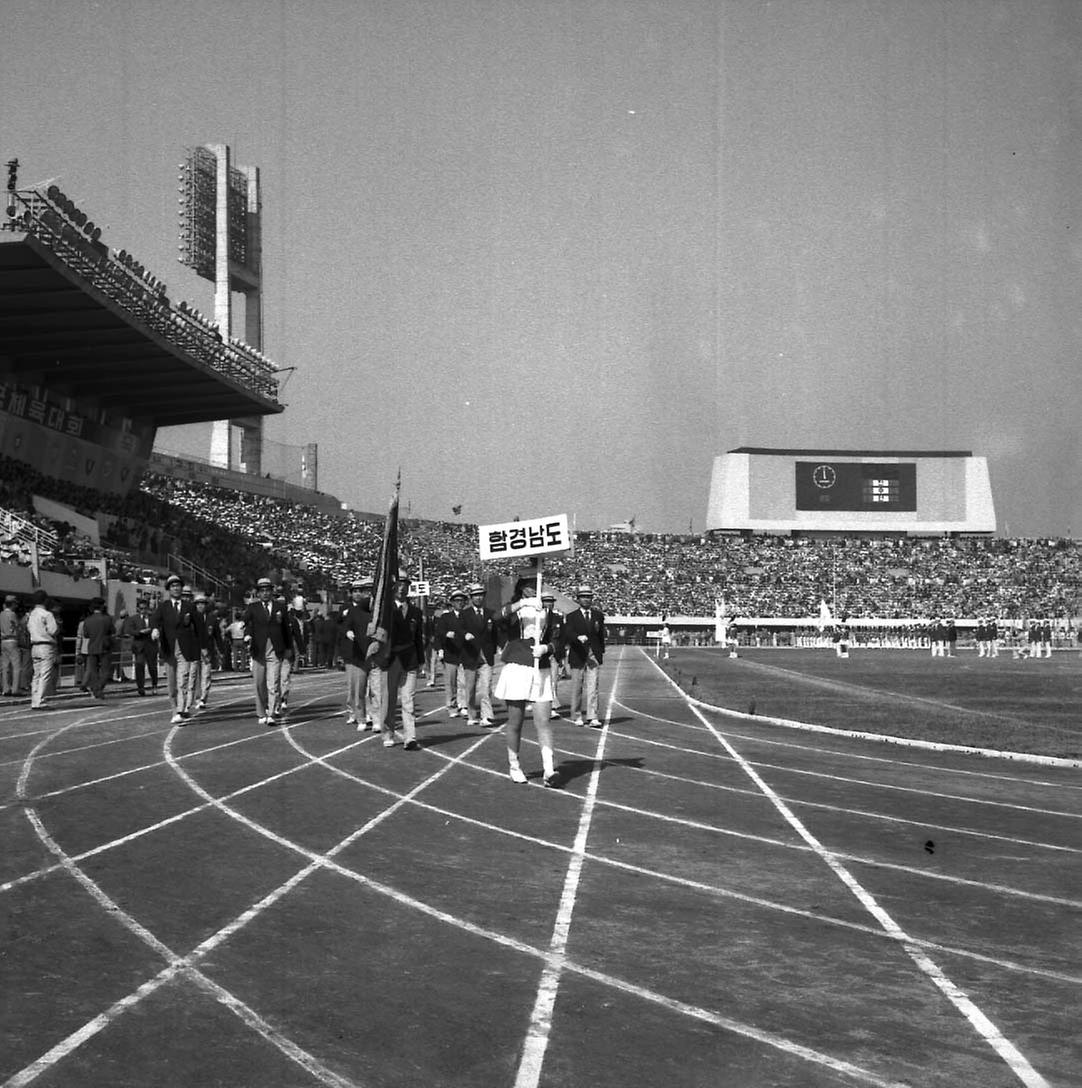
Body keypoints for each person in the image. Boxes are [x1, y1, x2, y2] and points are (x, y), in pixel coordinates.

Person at [495, 576, 562, 787]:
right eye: (530, 586)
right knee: (515, 722)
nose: (534, 589)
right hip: (517, 668)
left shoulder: (549, 613)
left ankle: (549, 769)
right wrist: (521, 604)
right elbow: (497, 617)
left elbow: (558, 641)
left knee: (544, 721)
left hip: (540, 670)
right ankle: (514, 766)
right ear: (522, 588)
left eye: (538, 585)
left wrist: (546, 648)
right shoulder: (514, 610)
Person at [374, 573, 425, 749]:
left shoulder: (416, 612)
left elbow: (418, 637)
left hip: (410, 659)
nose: (402, 588)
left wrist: (421, 660)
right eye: (399, 585)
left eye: (405, 585)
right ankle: (388, 732)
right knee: (389, 700)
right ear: (393, 588)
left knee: (408, 700)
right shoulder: (384, 611)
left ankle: (410, 737)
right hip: (391, 660)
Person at [242, 576, 292, 726]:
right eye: (262, 591)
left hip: (275, 649)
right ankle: (261, 712)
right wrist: (246, 634)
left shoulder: (280, 607)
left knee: (273, 683)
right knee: (259, 683)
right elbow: (247, 622)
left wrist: (289, 647)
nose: (265, 593)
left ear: (271, 592)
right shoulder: (253, 607)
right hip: (258, 649)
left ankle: (271, 712)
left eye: (267, 590)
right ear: (258, 593)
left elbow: (286, 630)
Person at [150, 574, 196, 725]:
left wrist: (201, 647)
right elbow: (154, 620)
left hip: (185, 648)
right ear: (169, 589)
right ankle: (174, 709)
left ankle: (181, 711)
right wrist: (155, 630)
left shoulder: (189, 606)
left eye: (178, 585)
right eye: (173, 586)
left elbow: (198, 628)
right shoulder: (163, 607)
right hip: (169, 648)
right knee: (172, 683)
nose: (176, 588)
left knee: (182, 679)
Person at [563, 584, 606, 728]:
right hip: (578, 654)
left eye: (588, 597)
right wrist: (577, 637)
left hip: (593, 654)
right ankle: (576, 715)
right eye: (583, 597)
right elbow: (568, 633)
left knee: (593, 687)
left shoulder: (598, 615)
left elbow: (600, 635)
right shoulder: (572, 616)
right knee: (577, 686)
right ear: (578, 599)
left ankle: (593, 716)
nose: (586, 600)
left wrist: (601, 653)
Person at [341, 579, 377, 729]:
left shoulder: (378, 611)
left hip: (375, 655)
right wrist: (348, 632)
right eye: (364, 591)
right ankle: (359, 716)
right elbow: (344, 626)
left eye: (369, 590)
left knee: (376, 690)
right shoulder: (352, 610)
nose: (366, 594)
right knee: (358, 688)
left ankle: (375, 717)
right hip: (358, 655)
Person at [458, 582, 495, 726]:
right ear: (471, 597)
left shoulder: (490, 613)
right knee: (470, 688)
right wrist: (465, 634)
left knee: (486, 688)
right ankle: (471, 714)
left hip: (486, 656)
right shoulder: (464, 614)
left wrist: (497, 646)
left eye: (480, 595)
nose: (478, 598)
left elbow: (496, 633)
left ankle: (486, 716)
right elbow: (459, 630)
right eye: (475, 596)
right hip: (470, 655)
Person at [435, 589, 468, 717]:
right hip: (450, 654)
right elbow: (438, 634)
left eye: (462, 600)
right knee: (451, 683)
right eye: (457, 601)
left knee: (464, 682)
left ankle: (463, 704)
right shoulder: (445, 617)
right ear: (452, 603)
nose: (460, 603)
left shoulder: (468, 616)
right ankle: (452, 706)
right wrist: (441, 648)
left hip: (465, 654)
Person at [28, 589, 58, 710]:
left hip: (34, 645)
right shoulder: (47, 614)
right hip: (46, 645)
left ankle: (35, 700)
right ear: (45, 600)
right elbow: (53, 630)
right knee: (45, 674)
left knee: (36, 674)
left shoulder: (32, 614)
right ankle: (40, 700)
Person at [122, 598, 158, 695]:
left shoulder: (153, 617)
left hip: (151, 645)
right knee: (139, 666)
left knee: (152, 667)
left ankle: (154, 685)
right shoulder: (133, 619)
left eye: (145, 608)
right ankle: (141, 687)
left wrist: (153, 631)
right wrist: (139, 632)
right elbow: (128, 630)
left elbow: (159, 628)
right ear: (138, 608)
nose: (143, 610)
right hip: (139, 646)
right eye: (141, 608)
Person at [81, 597, 115, 700]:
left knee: (93, 671)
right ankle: (98, 689)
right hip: (105, 646)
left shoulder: (87, 620)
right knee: (105, 671)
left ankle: (96, 689)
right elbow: (112, 630)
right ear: (102, 606)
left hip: (92, 646)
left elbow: (86, 635)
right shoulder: (107, 619)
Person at [541, 589, 564, 718]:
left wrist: (561, 656)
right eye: (546, 601)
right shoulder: (537, 617)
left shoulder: (558, 618)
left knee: (553, 681)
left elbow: (562, 638)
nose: (549, 604)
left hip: (553, 654)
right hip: (540, 654)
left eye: (551, 602)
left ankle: (551, 707)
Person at [1, 594, 20, 695]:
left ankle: (5, 689)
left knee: (5, 666)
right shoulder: (12, 614)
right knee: (16, 666)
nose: (16, 606)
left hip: (3, 641)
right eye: (15, 604)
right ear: (12, 604)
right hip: (12, 640)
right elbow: (16, 626)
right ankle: (15, 689)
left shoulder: (1, 614)